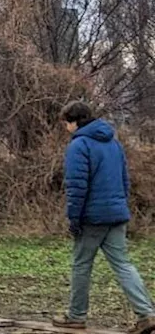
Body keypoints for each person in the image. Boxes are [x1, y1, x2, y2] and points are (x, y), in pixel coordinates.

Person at [52, 101, 155, 334]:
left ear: (74, 121)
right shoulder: (114, 143)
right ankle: (146, 313)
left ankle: (76, 316)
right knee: (123, 264)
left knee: (81, 265)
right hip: (117, 214)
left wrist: (74, 219)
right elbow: (125, 179)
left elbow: (76, 187)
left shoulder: (79, 145)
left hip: (92, 217)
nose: (66, 128)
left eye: (66, 123)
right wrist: (120, 205)